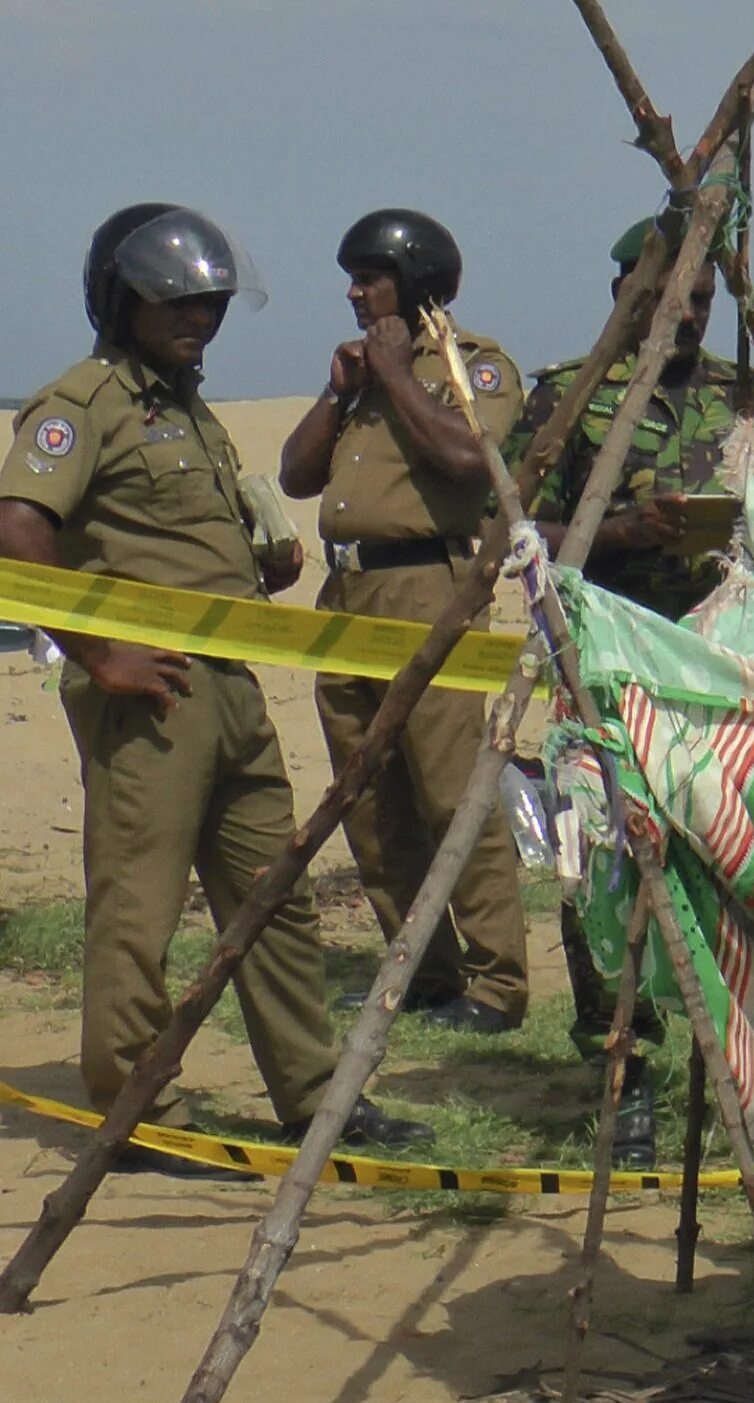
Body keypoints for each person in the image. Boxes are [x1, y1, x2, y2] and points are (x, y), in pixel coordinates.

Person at [0, 205, 431, 1170]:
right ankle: (135, 1108)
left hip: (231, 683)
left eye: (211, 302)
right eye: (178, 302)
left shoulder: (186, 409)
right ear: (124, 299)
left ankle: (315, 1094)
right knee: (139, 905)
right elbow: (19, 534)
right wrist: (99, 654)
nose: (200, 317)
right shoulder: (81, 406)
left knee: (274, 894)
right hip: (148, 692)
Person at [505, 214, 754, 1165]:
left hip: (731, 675)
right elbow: (517, 531)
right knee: (610, 865)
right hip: (612, 668)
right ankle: (624, 1078)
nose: (684, 316)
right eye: (663, 298)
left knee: (752, 862)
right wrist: (625, 535)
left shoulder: (747, 396)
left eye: (699, 299)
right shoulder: (570, 398)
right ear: (625, 298)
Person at [277, 208, 531, 1036]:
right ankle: (420, 968)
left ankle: (496, 983)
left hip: (430, 587)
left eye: (370, 277)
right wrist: (339, 390)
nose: (354, 293)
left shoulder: (472, 365)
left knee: (451, 789)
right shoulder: (362, 372)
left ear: (414, 281)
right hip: (347, 597)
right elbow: (296, 475)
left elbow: (469, 459)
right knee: (369, 793)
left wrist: (395, 376)